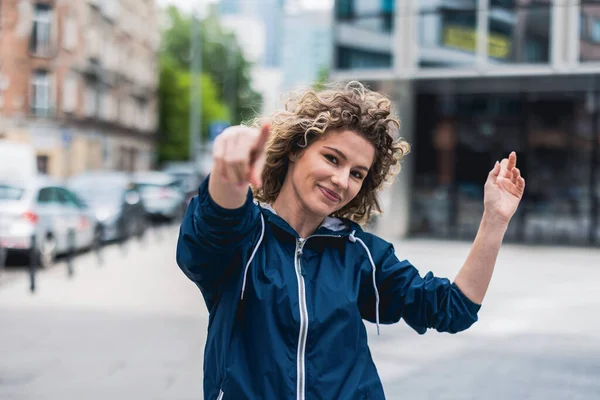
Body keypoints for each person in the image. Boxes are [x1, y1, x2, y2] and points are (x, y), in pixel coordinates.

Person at [176, 82, 525, 400]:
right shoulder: (246, 238)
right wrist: (228, 175)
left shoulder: (359, 253)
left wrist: (494, 220)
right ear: (297, 149)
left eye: (357, 173)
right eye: (332, 158)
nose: (341, 180)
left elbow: (452, 309)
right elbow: (213, 228)